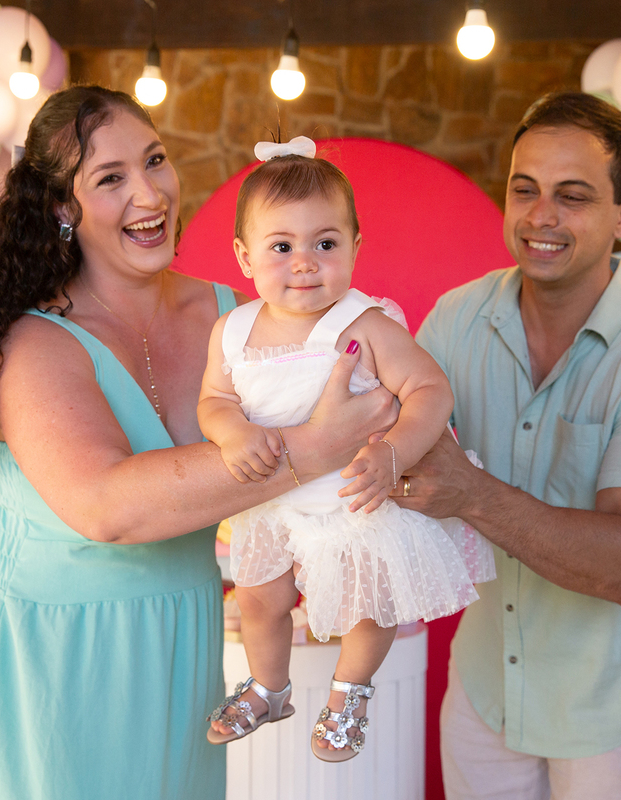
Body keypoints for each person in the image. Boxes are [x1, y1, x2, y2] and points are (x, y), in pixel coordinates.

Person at [0, 87, 395, 798]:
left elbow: (364, 407)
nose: (149, 194)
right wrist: (317, 445)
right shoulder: (31, 342)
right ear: (63, 207)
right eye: (110, 178)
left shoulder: (242, 315)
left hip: (179, 633)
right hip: (43, 650)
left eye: (155, 160)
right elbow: (105, 505)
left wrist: (390, 452)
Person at [395, 92, 621, 799]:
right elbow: (392, 442)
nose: (541, 216)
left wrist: (471, 493)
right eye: (525, 189)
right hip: (484, 688)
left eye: (573, 196)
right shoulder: (456, 319)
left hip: (609, 704)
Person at [199, 138, 494, 762]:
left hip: (353, 496)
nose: (305, 263)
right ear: (244, 256)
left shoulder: (367, 325)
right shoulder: (233, 331)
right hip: (276, 496)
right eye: (282, 247)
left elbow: (431, 390)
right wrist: (232, 432)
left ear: (356, 247)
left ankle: (349, 693)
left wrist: (393, 453)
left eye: (326, 244)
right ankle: (268, 687)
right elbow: (214, 401)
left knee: (368, 600)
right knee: (258, 598)